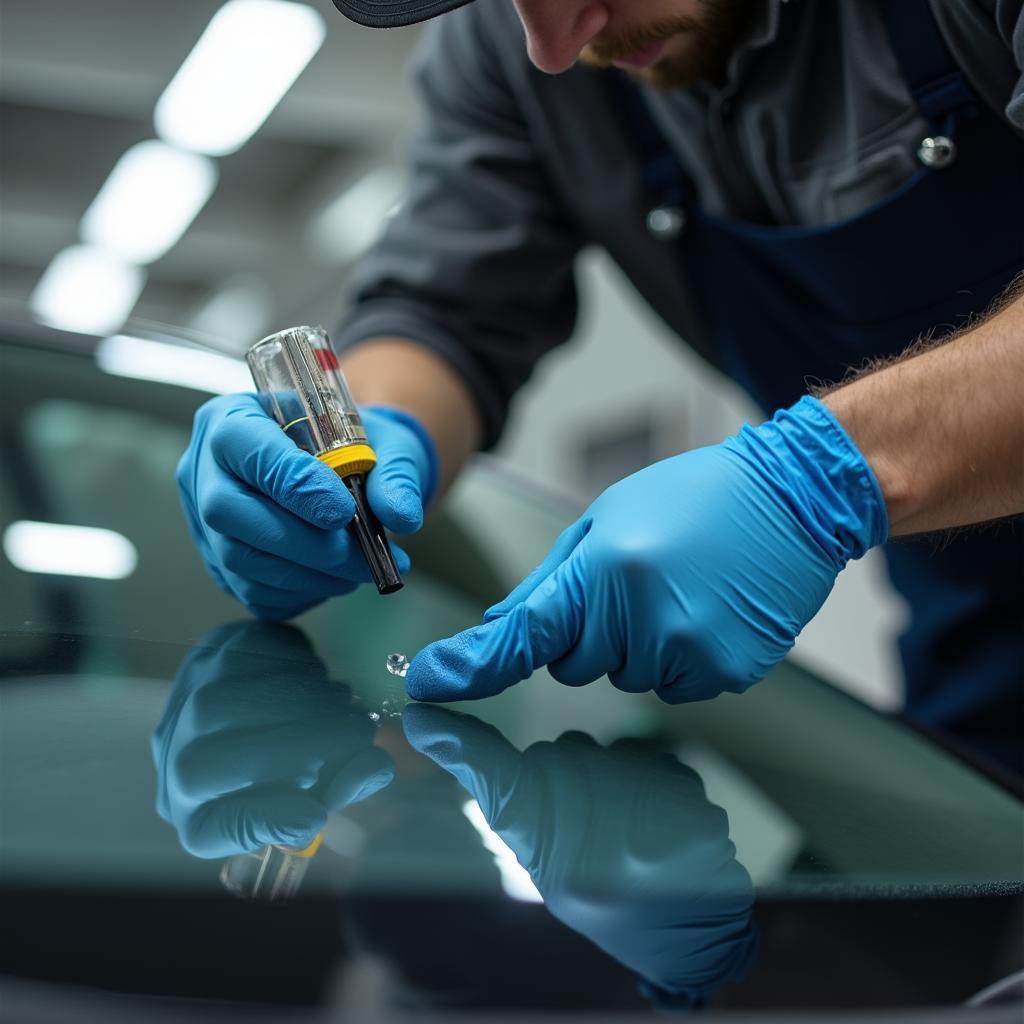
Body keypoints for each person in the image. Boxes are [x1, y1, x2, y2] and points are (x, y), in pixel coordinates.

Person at [178, 0, 1024, 773]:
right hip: (985, 660)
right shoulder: (513, 46)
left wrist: (815, 479)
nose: (555, 44)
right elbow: (445, 313)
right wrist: (364, 435)